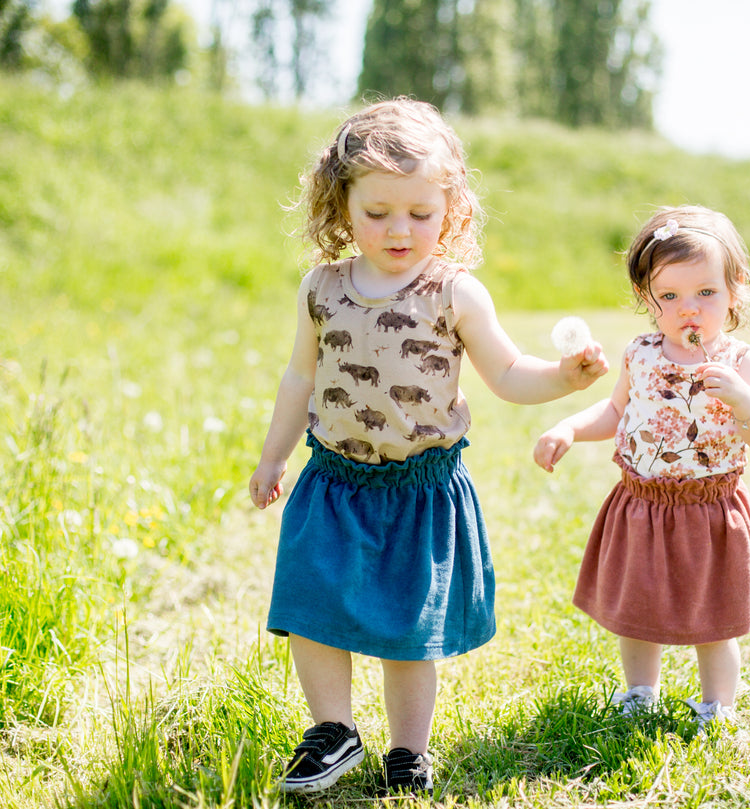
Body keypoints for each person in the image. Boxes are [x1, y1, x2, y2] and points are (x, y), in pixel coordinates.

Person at [249, 97, 608, 795]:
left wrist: (564, 375)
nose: (399, 229)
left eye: (420, 212)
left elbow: (507, 373)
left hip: (418, 488)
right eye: (377, 211)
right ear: (340, 204)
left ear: (451, 209)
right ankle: (333, 729)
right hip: (334, 479)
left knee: (409, 625)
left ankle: (408, 750)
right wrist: (274, 455)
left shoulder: (455, 292)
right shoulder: (321, 288)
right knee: (311, 602)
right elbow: (300, 375)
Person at [533, 205, 750, 735]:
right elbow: (617, 412)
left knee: (714, 618)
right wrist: (570, 428)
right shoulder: (641, 354)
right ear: (649, 300)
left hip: (707, 507)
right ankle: (640, 692)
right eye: (670, 296)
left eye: (705, 293)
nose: (688, 309)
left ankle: (718, 706)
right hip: (642, 503)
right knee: (637, 608)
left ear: (734, 290)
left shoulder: (741, 363)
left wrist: (742, 401)